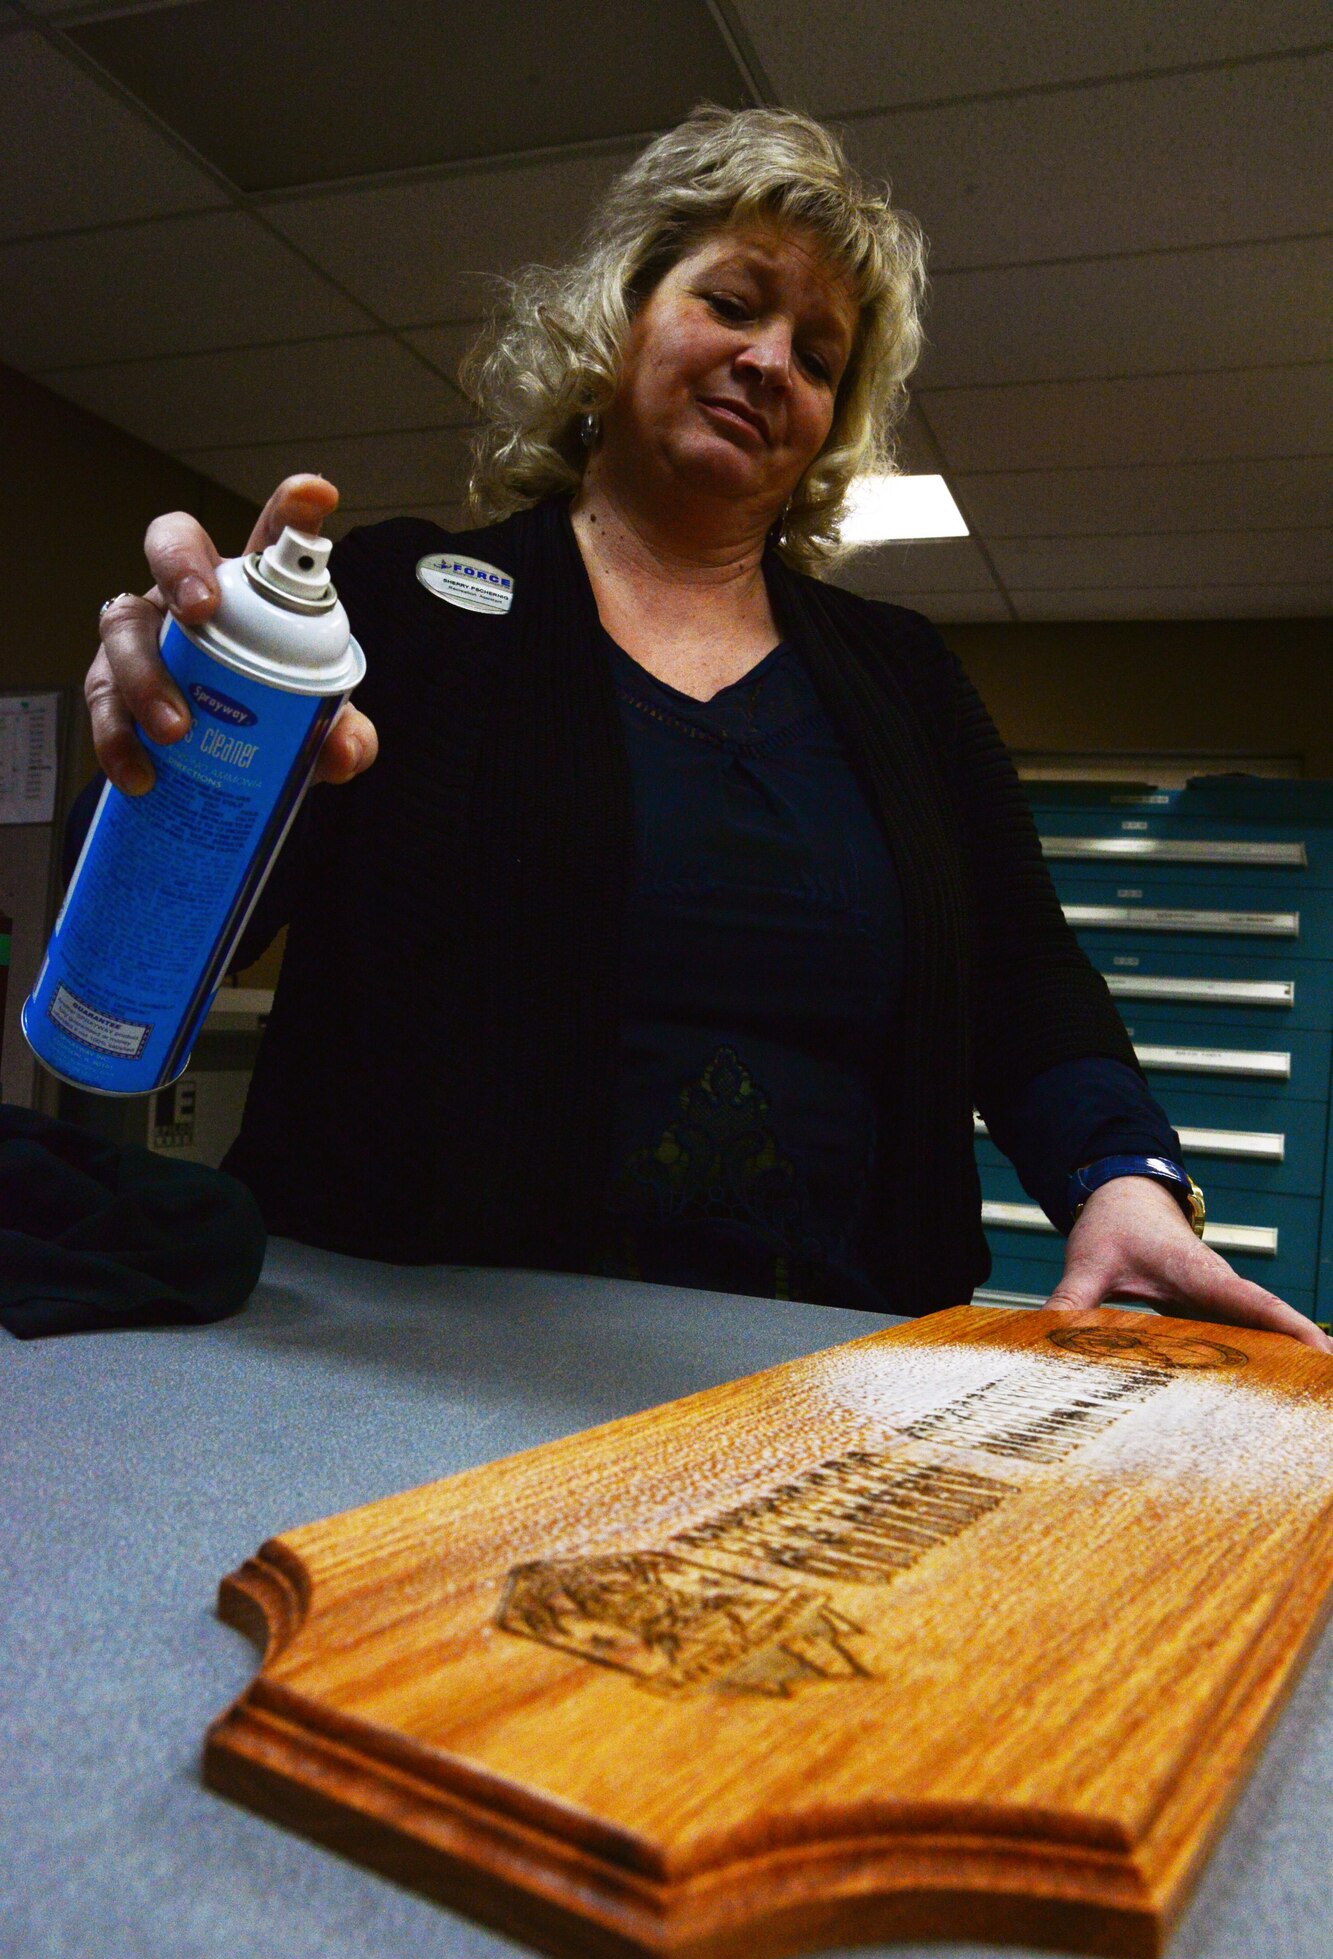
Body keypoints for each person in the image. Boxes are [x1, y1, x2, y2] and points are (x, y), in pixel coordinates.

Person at [80, 105, 1329, 1349]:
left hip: (818, 1390)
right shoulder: (400, 608)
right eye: (733, 303)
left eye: (819, 355)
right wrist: (200, 718)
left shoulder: (904, 680)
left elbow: (1021, 975)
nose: (772, 359)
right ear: (619, 316)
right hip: (406, 1364)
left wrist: (1123, 1174)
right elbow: (172, 942)